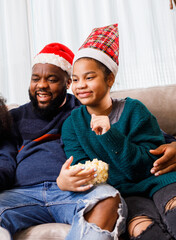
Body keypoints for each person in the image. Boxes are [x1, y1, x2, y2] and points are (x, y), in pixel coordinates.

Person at [0, 43, 127, 239]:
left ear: (68, 83)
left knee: (108, 200)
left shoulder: (84, 109)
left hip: (75, 193)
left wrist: (171, 144)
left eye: (51, 79)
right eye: (36, 79)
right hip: (22, 194)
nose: (41, 85)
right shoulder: (15, 117)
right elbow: (4, 158)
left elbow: (129, 132)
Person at [61, 23, 176, 239]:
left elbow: (146, 165)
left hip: (159, 180)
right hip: (124, 193)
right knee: (143, 230)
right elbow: (86, 170)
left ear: (109, 79)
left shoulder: (135, 110)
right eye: (75, 80)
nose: (80, 85)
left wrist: (109, 134)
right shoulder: (72, 125)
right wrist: (75, 175)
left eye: (89, 77)